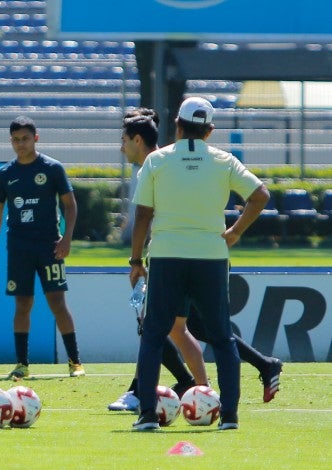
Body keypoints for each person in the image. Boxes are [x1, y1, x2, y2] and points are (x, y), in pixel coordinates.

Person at [110, 109, 283, 411]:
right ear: (210, 130)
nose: (122, 146)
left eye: (124, 140)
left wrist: (135, 260)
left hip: (167, 257)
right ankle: (227, 412)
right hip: (211, 256)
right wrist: (235, 232)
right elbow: (261, 195)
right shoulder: (222, 159)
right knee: (213, 334)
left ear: (177, 125)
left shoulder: (156, 161)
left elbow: (142, 214)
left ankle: (152, 408)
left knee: (155, 332)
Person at [0, 116, 84, 380]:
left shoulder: (52, 168)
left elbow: (70, 205)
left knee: (57, 303)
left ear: (36, 138)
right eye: (16, 140)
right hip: (19, 248)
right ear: (11, 141)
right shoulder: (5, 175)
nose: (21, 144)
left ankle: (75, 362)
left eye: (25, 139)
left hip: (49, 246)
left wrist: (66, 238)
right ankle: (22, 364)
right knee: (22, 304)